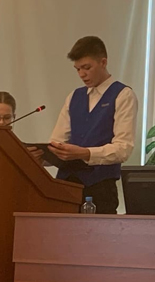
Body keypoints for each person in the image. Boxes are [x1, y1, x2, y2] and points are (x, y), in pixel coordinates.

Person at [38, 36, 137, 214]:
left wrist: (85, 153)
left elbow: (123, 148)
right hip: (66, 186)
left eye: (86, 67)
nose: (82, 74)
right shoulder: (74, 96)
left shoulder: (123, 95)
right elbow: (58, 142)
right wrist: (41, 155)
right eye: (77, 69)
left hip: (100, 187)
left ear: (103, 62)